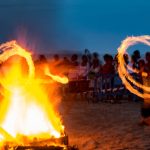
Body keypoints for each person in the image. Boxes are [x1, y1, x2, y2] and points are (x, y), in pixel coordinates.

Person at [140, 52, 150, 125]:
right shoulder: (145, 66)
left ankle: (147, 120)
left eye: (148, 56)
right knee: (145, 104)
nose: (147, 58)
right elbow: (140, 73)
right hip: (146, 87)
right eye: (146, 56)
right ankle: (144, 119)